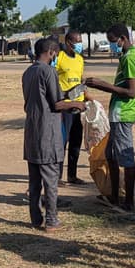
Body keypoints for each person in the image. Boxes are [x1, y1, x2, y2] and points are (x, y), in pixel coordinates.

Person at [24, 37, 87, 230]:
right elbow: (56, 104)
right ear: (51, 52)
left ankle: (36, 219)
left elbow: (44, 97)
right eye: (56, 54)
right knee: (51, 178)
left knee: (34, 181)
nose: (56, 57)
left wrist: (70, 94)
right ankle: (51, 220)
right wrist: (77, 104)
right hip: (47, 132)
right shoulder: (48, 71)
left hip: (32, 132)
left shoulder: (28, 72)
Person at [86, 23, 135, 211]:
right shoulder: (124, 56)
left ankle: (129, 202)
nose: (112, 45)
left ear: (123, 38)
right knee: (111, 154)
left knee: (126, 157)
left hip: (124, 113)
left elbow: (131, 91)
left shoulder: (131, 58)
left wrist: (102, 85)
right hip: (117, 113)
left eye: (113, 41)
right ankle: (115, 196)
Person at [56, 29, 88, 185]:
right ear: (68, 42)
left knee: (76, 141)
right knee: (62, 142)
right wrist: (63, 95)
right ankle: (58, 176)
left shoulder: (80, 59)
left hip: (79, 107)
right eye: (77, 41)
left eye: (80, 40)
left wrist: (88, 99)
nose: (80, 44)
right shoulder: (59, 58)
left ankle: (72, 175)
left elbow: (81, 81)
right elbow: (52, 80)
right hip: (65, 107)